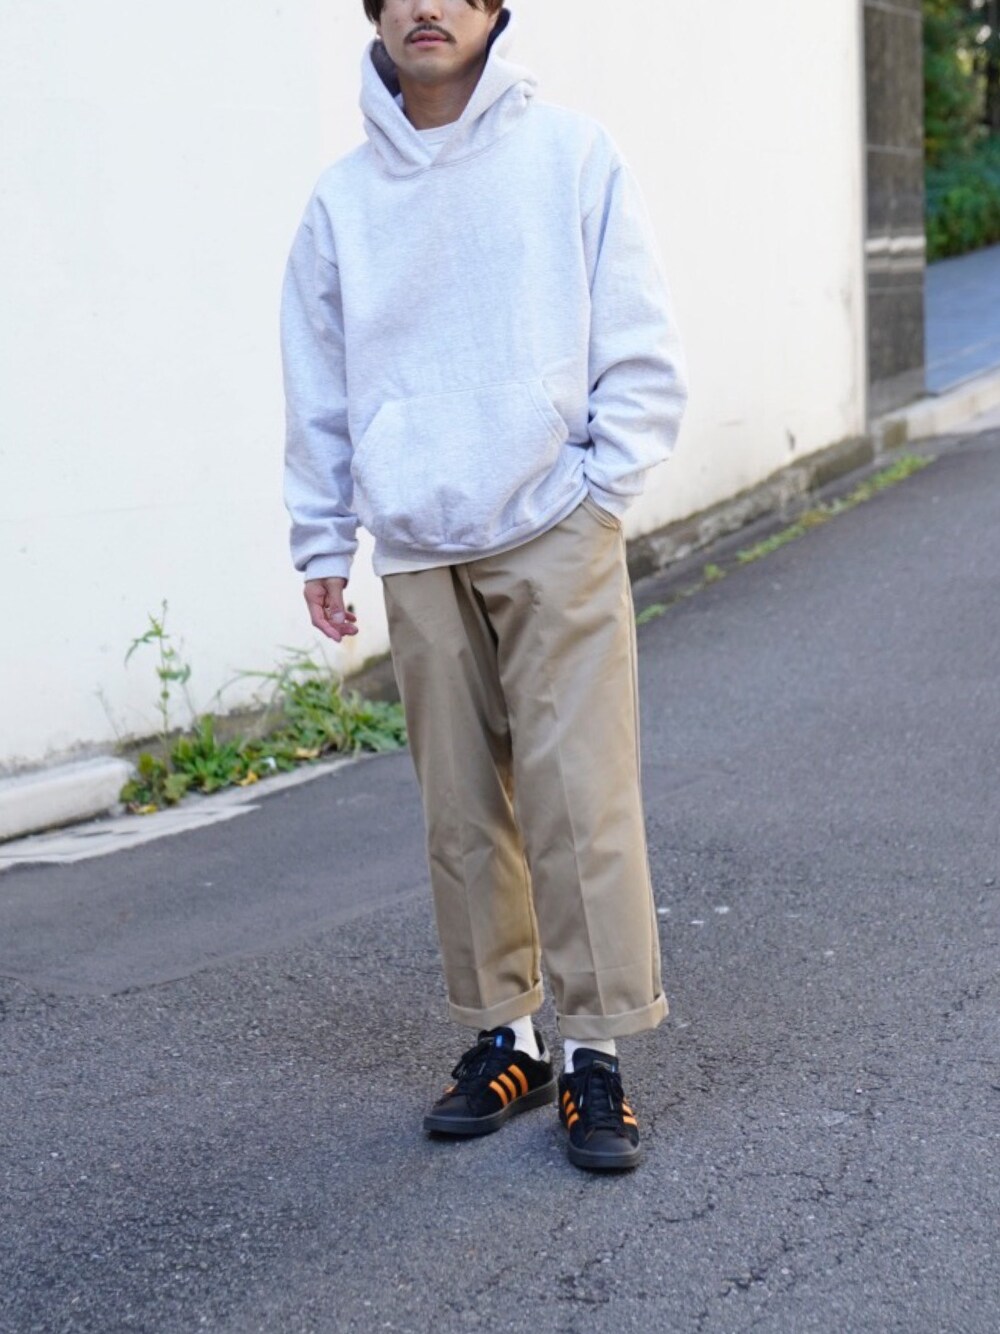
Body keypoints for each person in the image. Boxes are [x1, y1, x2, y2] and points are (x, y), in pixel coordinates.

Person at [281, 0, 687, 1172]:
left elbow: (637, 334)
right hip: (417, 539)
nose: (428, 8)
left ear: (495, 6)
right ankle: (504, 1038)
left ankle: (594, 1047)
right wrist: (323, 538)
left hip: (553, 519)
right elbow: (318, 383)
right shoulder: (341, 203)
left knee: (579, 795)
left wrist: (603, 488)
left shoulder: (570, 153)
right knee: (458, 807)